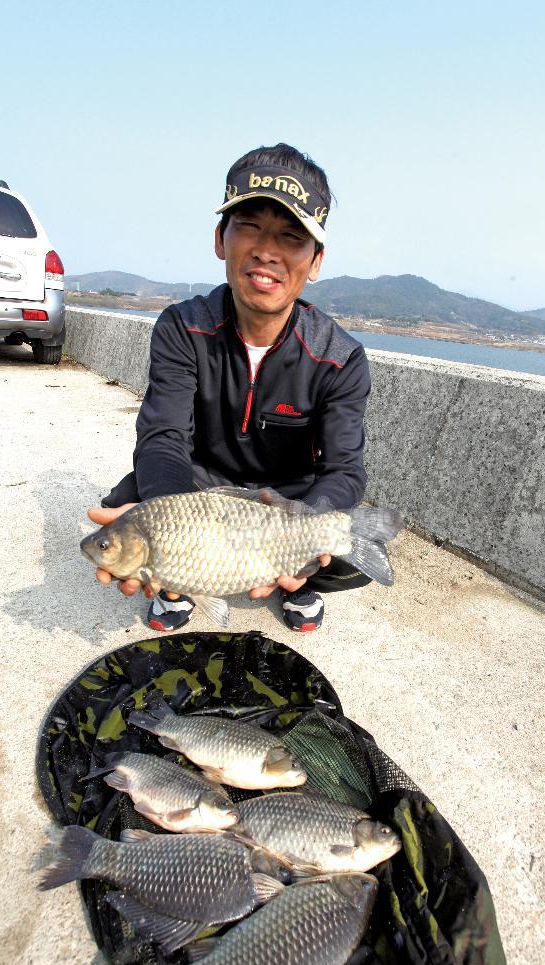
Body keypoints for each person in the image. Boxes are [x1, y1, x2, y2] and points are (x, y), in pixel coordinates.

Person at [88, 143, 372, 632]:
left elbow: (345, 470)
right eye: (250, 226)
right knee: (127, 503)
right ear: (221, 239)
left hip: (286, 502)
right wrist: (173, 527)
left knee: (347, 553)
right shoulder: (182, 327)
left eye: (291, 236)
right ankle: (177, 580)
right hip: (201, 491)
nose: (267, 250)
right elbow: (163, 439)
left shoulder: (341, 358)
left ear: (316, 260)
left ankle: (294, 577)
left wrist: (304, 523)